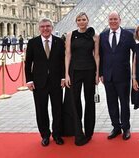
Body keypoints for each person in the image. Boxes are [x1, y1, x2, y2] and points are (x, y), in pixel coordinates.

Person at [25, 18, 65, 147]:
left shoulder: (59, 42)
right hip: (39, 82)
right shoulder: (33, 42)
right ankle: (45, 135)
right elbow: (28, 63)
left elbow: (63, 62)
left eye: (48, 26)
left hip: (56, 81)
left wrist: (63, 78)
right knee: (41, 110)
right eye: (42, 26)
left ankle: (57, 134)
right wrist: (29, 80)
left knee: (57, 109)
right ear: (39, 28)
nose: (45, 29)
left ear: (52, 28)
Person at [64, 12, 99, 146]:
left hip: (90, 70)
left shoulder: (95, 36)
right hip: (74, 71)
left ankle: (89, 132)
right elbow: (67, 55)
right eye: (79, 20)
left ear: (87, 20)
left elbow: (96, 56)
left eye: (83, 19)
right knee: (75, 102)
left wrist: (97, 74)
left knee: (89, 101)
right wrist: (66, 74)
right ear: (76, 22)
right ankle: (78, 133)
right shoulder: (70, 35)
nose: (81, 22)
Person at [99, 11, 136, 140]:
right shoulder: (102, 36)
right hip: (108, 77)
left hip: (123, 76)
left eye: (115, 19)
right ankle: (116, 127)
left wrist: (134, 74)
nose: (113, 21)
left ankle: (126, 128)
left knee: (124, 103)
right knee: (111, 103)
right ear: (108, 21)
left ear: (120, 20)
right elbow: (100, 56)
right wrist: (100, 74)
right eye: (111, 19)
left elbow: (135, 54)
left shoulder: (129, 35)